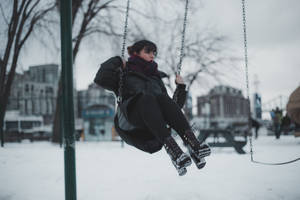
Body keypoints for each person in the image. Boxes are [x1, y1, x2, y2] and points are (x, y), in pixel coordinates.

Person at [94, 40, 211, 176]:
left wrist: (181, 88)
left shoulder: (155, 78)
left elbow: (173, 108)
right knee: (147, 98)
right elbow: (100, 79)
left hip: (153, 123)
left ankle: (192, 144)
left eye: (154, 52)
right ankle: (173, 149)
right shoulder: (124, 73)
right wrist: (117, 60)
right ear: (136, 52)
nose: (152, 55)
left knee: (161, 98)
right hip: (131, 119)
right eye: (148, 51)